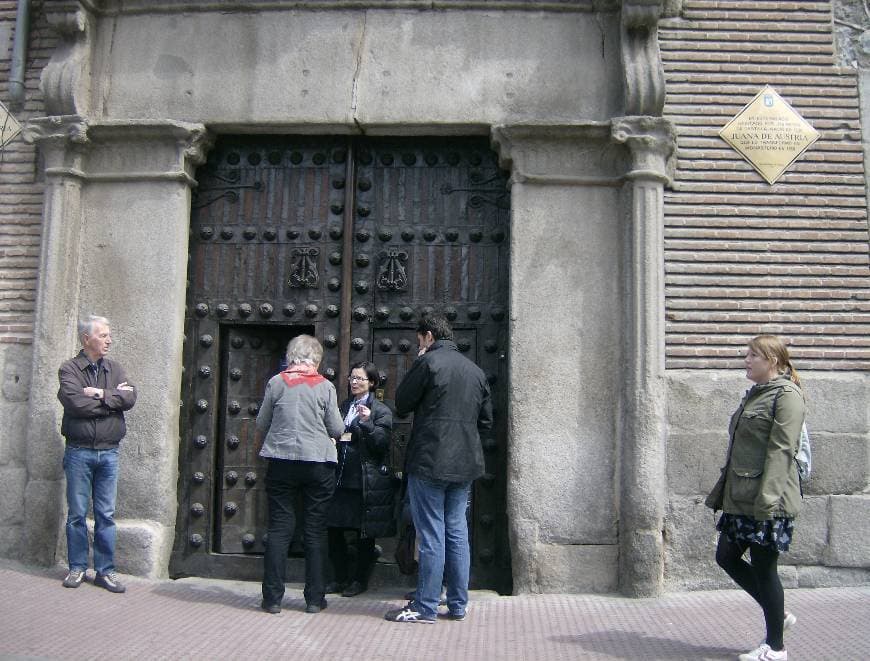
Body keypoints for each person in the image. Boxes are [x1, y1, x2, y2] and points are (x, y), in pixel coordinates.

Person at [384, 313, 492, 623]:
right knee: (457, 532)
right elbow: (486, 421)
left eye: (419, 339)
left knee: (431, 534)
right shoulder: (475, 370)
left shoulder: (428, 362)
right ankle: (458, 604)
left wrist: (418, 363)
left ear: (428, 335)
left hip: (430, 460)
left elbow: (402, 403)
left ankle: (425, 606)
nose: (419, 345)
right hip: (465, 463)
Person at [707, 335, 805, 661]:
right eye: (746, 355)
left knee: (765, 569)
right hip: (742, 497)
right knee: (726, 556)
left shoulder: (787, 396)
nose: (746, 360)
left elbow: (782, 451)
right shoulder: (754, 395)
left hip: (768, 500)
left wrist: (768, 502)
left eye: (753, 356)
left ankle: (776, 648)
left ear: (773, 361)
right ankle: (777, 614)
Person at [256, 334, 344, 615]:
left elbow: (262, 422)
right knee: (315, 530)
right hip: (318, 463)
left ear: (291, 357)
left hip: (282, 461)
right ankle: (315, 599)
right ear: (316, 360)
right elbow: (336, 428)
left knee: (280, 528)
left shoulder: (276, 382)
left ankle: (272, 599)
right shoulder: (325, 387)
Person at [58, 315, 137, 593]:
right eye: (103, 335)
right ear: (86, 339)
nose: (109, 340)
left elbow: (129, 398)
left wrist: (100, 394)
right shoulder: (69, 370)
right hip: (79, 452)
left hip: (109, 453)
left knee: (106, 514)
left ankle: (105, 571)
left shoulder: (115, 369)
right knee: (77, 514)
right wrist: (110, 402)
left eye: (108, 335)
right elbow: (74, 403)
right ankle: (77, 567)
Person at [325, 361, 395, 597]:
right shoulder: (344, 406)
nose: (354, 382)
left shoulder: (380, 411)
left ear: (372, 383)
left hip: (364, 480)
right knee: (333, 530)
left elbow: (382, 444)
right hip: (340, 478)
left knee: (363, 534)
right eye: (352, 378)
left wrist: (366, 423)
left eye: (360, 379)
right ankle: (340, 577)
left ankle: (359, 580)